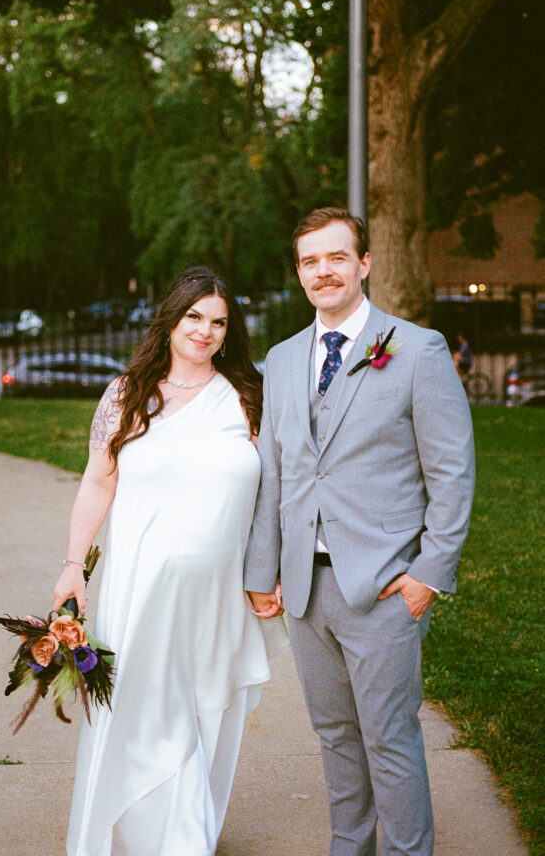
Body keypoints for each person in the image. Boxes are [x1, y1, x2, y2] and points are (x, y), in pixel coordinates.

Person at [244, 207, 475, 856]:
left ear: (364, 264)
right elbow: (274, 473)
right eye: (310, 261)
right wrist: (262, 572)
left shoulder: (415, 348)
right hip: (304, 590)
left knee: (388, 739)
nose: (323, 271)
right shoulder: (282, 359)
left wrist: (428, 575)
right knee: (335, 738)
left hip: (383, 588)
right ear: (298, 272)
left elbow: (452, 471)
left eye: (336, 257)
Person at [53, 267, 279, 856]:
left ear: (229, 332)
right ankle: (137, 835)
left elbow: (275, 495)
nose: (205, 331)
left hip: (219, 593)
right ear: (171, 320)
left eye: (218, 322)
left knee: (202, 711)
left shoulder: (249, 397)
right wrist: (74, 564)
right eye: (194, 317)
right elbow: (98, 482)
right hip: (141, 587)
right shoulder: (127, 394)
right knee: (141, 710)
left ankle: (187, 831)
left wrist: (270, 570)